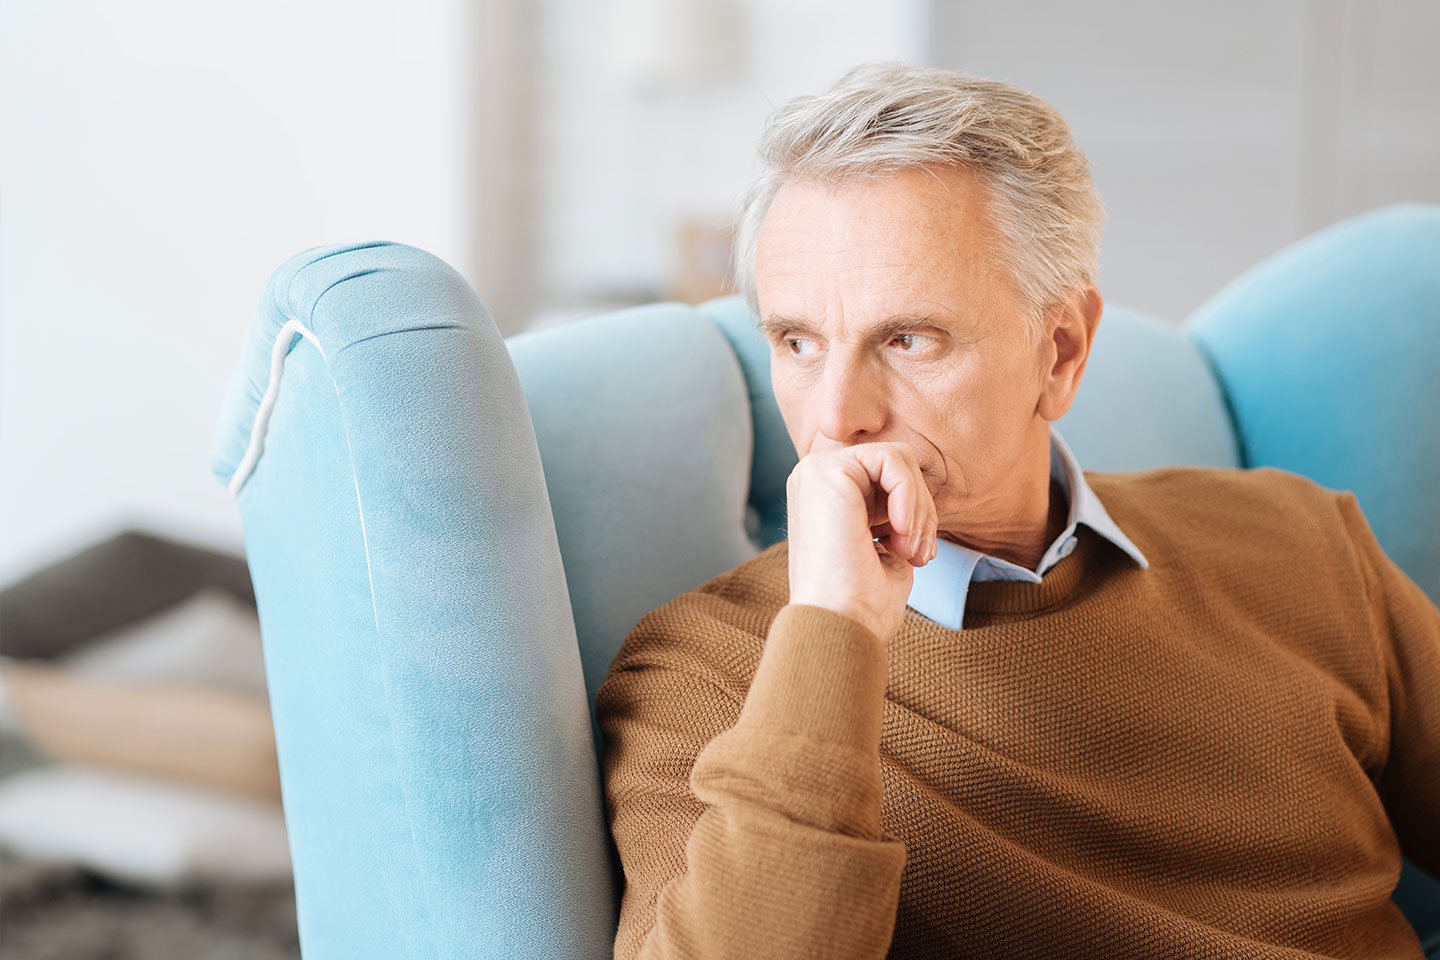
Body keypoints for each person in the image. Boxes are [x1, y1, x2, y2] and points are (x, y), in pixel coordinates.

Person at [593, 61, 1440, 958]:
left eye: (909, 338)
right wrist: (834, 631)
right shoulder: (699, 674)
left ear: (1061, 352)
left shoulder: (1299, 539)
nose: (837, 415)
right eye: (798, 342)